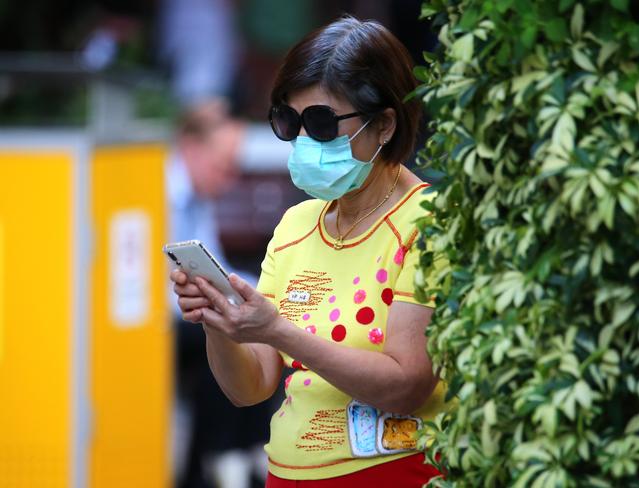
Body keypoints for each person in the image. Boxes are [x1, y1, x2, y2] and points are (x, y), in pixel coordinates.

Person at [170, 16, 449, 487]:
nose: (303, 140)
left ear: (383, 124)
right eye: (289, 121)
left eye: (320, 122)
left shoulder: (428, 222)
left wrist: (280, 332)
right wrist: (219, 322)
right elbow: (251, 386)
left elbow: (406, 386)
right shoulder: (296, 226)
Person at [167, 100, 270, 488]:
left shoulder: (197, 197)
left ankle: (235, 454)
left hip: (180, 313)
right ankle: (225, 457)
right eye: (223, 166)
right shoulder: (156, 189)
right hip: (153, 320)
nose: (229, 180)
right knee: (222, 336)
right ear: (192, 149)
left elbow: (216, 268)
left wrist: (263, 291)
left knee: (248, 330)